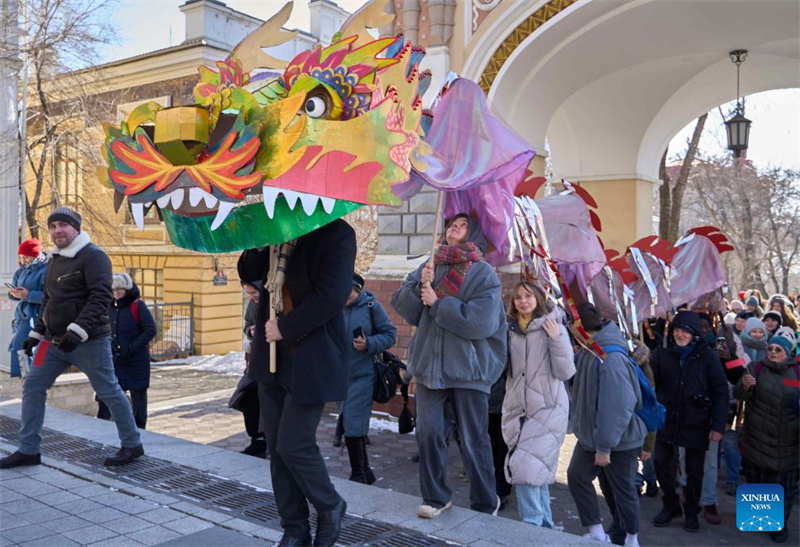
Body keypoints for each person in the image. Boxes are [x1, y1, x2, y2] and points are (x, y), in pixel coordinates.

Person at [237, 218, 356, 547]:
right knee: (276, 449)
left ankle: (330, 504)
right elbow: (248, 269)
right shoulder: (277, 227)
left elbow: (332, 296)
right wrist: (261, 239)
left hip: (312, 357)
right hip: (271, 358)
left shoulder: (337, 233)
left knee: (294, 443)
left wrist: (285, 328)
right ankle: (295, 529)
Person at [0, 207, 143, 469]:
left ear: (75, 227)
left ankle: (132, 443)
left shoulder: (93, 256)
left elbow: (101, 297)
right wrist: (37, 332)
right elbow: (48, 299)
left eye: (63, 225)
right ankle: (29, 449)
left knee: (108, 390)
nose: (57, 231)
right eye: (53, 227)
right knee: (32, 386)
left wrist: (77, 330)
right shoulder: (55, 258)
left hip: (89, 342)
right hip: (52, 342)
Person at [392, 213, 507, 518]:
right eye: (452, 223)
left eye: (464, 224)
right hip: (431, 368)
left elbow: (481, 322)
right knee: (428, 434)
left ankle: (485, 501)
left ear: (474, 235)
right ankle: (435, 497)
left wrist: (439, 302)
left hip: (469, 370)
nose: (455, 226)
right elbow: (406, 308)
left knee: (473, 439)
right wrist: (419, 283)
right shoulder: (431, 265)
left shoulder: (483, 273)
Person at [567, 303, 646, 547]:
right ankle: (597, 532)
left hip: (617, 441)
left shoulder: (609, 358)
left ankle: (632, 539)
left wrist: (604, 447)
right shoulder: (592, 351)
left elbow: (617, 404)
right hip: (593, 436)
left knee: (623, 491)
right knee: (577, 475)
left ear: (577, 326)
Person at [502, 281, 575, 528]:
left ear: (539, 299)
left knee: (525, 470)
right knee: (536, 475)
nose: (523, 301)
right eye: (518, 297)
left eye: (528, 296)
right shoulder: (510, 329)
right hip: (518, 409)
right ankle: (546, 531)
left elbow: (566, 372)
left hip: (548, 408)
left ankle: (531, 530)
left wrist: (557, 340)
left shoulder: (552, 326)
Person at [650, 311, 727, 533]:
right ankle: (671, 504)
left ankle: (692, 510)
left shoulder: (708, 357)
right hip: (668, 419)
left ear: (694, 334)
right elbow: (648, 376)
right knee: (661, 461)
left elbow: (720, 392)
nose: (680, 335)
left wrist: (718, 426)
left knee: (694, 471)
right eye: (676, 330)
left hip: (696, 421)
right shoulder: (663, 353)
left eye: (685, 331)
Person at [735, 335, 799, 544]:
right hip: (758, 435)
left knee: (784, 485)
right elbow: (741, 396)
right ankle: (761, 519)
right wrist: (744, 386)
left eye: (778, 350)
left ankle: (780, 524)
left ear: (787, 353)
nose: (772, 352)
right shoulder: (756, 368)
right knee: (759, 480)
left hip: (788, 438)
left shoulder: (796, 373)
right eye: (770, 348)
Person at [341, 273, 397, 484]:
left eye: (347, 293)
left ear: (357, 290)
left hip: (364, 374)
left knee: (353, 423)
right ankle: (366, 472)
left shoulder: (372, 307)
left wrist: (369, 344)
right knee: (349, 422)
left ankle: (358, 474)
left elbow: (390, 334)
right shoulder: (335, 306)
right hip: (341, 377)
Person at [97, 273, 156, 429]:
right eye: (114, 289)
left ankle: (140, 430)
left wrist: (132, 347)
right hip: (116, 360)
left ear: (126, 289)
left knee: (138, 396)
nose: (116, 292)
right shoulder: (109, 305)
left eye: (120, 289)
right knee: (107, 393)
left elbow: (150, 330)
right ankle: (102, 425)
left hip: (136, 361)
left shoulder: (138, 306)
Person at [228, 280, 267, 457]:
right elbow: (247, 325)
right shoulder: (253, 304)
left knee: (261, 400)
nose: (251, 297)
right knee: (246, 397)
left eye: (254, 293)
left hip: (270, 360)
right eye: (248, 294)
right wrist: (250, 331)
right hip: (254, 358)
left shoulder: (271, 303)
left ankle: (262, 440)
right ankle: (257, 438)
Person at [7, 239, 48, 378]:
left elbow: (52, 297)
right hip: (23, 317)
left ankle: (28, 382)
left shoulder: (47, 270)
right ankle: (28, 382)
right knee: (21, 349)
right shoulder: (21, 271)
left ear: (35, 255)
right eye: (21, 256)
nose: (23, 260)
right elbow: (15, 293)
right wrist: (14, 294)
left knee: (21, 348)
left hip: (39, 318)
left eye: (26, 256)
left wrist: (28, 295)